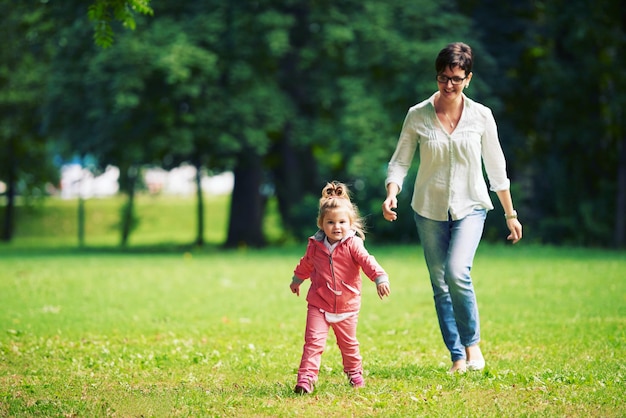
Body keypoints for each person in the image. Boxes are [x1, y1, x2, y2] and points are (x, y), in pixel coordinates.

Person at [381, 42, 522, 374]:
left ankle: (473, 346)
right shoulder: (418, 115)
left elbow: (497, 169)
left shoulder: (481, 116)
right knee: (440, 283)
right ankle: (457, 356)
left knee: (457, 272)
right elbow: (399, 162)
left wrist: (510, 214)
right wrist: (392, 193)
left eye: (456, 79)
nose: (448, 85)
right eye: (443, 78)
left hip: (471, 206)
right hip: (428, 208)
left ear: (468, 79)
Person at [290, 181, 391, 394]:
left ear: (351, 223)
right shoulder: (315, 245)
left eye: (342, 222)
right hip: (319, 303)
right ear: (321, 224)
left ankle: (355, 374)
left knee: (348, 345)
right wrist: (297, 279)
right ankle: (306, 379)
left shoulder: (353, 244)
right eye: (330, 222)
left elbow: (367, 261)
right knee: (313, 343)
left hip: (347, 306)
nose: (337, 227)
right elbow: (306, 263)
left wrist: (380, 278)